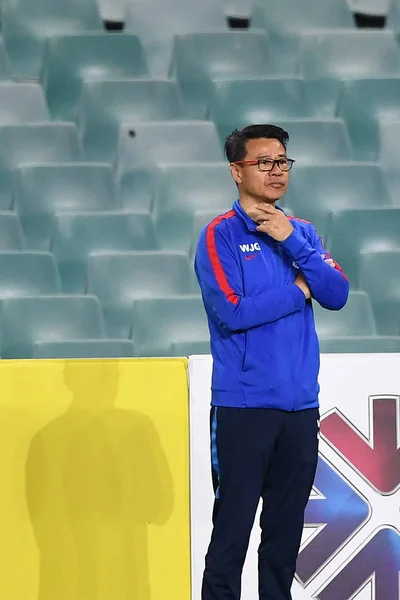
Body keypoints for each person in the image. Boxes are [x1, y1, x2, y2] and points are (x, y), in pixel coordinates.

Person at [194, 124, 349, 600]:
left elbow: (338, 294)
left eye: (282, 161)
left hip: (300, 408)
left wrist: (293, 242)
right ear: (236, 171)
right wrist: (300, 288)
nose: (276, 171)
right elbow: (233, 312)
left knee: (283, 541)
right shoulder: (219, 235)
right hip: (243, 407)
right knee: (231, 537)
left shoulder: (302, 232)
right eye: (264, 162)